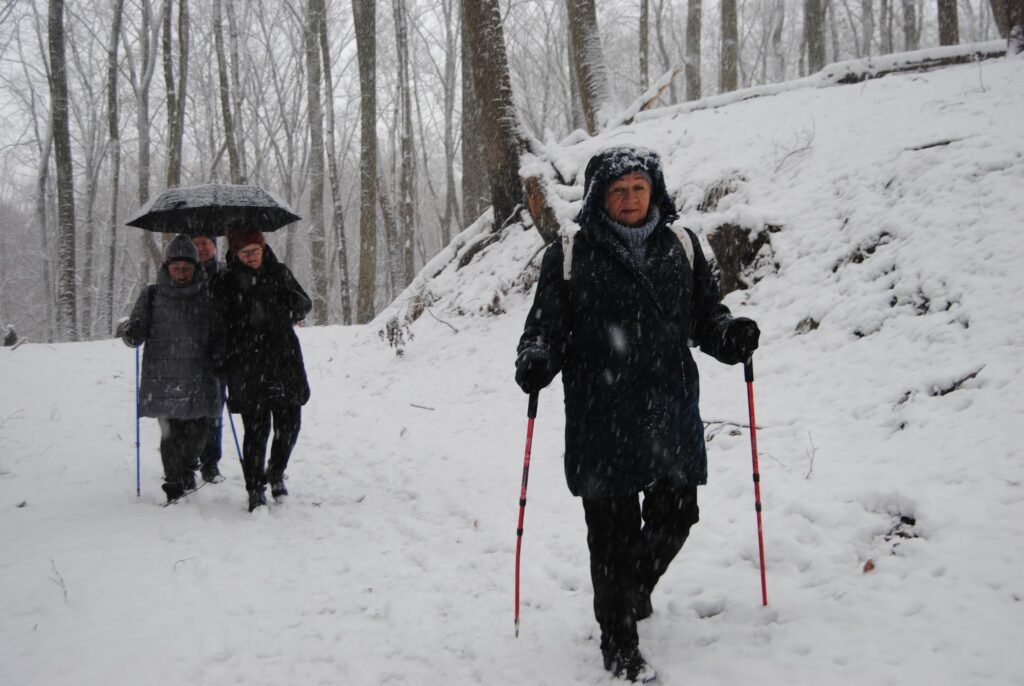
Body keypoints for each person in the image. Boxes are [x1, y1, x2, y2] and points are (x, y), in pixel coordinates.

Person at [514, 146, 760, 683]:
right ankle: (618, 641)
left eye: (638, 188)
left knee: (678, 514)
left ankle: (633, 589)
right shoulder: (571, 252)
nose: (629, 199)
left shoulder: (683, 245)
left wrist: (728, 335)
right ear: (601, 195)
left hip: (667, 406)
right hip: (601, 412)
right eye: (618, 190)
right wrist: (536, 356)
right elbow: (546, 328)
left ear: (654, 191)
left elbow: (705, 317)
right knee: (611, 536)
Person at [211, 226, 311, 512]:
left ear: (263, 246)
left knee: (290, 424)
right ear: (235, 253)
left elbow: (305, 302)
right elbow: (218, 323)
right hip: (247, 363)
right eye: (245, 252)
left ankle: (276, 471)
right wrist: (220, 355)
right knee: (256, 430)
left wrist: (297, 304)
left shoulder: (279, 273)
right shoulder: (226, 282)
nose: (251, 257)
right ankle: (255, 487)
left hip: (284, 359)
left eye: (255, 251)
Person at [119, 234, 221, 503]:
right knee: (171, 434)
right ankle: (174, 481)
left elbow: (220, 329)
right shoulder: (152, 294)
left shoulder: (208, 293)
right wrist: (130, 334)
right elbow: (137, 332)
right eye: (176, 268)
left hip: (200, 374)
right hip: (164, 377)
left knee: (199, 433)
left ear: (195, 268)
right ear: (166, 268)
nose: (181, 273)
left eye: (187, 268)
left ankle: (187, 467)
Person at [191, 231, 227, 484]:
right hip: (187, 352)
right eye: (195, 244)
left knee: (214, 409)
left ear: (214, 246)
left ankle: (210, 462)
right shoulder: (182, 272)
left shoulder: (225, 274)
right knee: (187, 410)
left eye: (205, 243)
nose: (201, 248)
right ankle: (187, 459)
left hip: (218, 351)